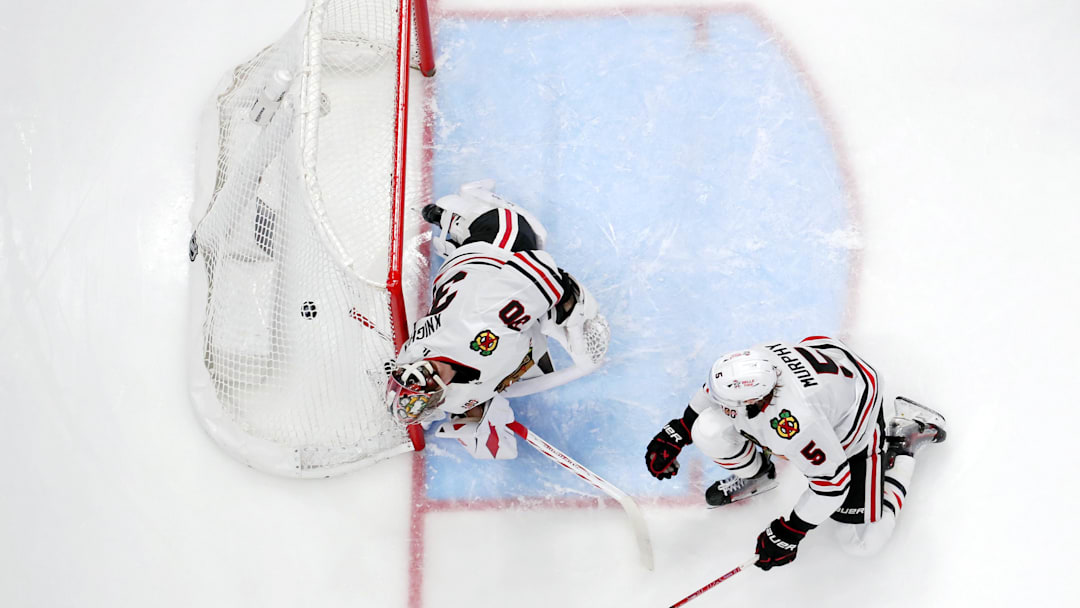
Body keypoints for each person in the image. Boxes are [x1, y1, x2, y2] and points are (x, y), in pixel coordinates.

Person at [645, 336, 946, 569]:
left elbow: (832, 484)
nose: (715, 401)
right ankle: (758, 474)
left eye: (728, 404)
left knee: (859, 542)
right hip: (829, 375)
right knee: (708, 429)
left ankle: (903, 439)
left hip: (856, 420)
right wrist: (680, 430)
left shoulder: (797, 425)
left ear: (754, 404)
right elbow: (713, 391)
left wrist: (790, 531)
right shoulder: (751, 365)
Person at [386, 179, 609, 459]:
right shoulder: (411, 356)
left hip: (498, 245)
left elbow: (545, 270)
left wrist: (573, 318)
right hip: (461, 274)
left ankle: (457, 216)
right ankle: (449, 222)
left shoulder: (483, 321)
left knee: (524, 229)